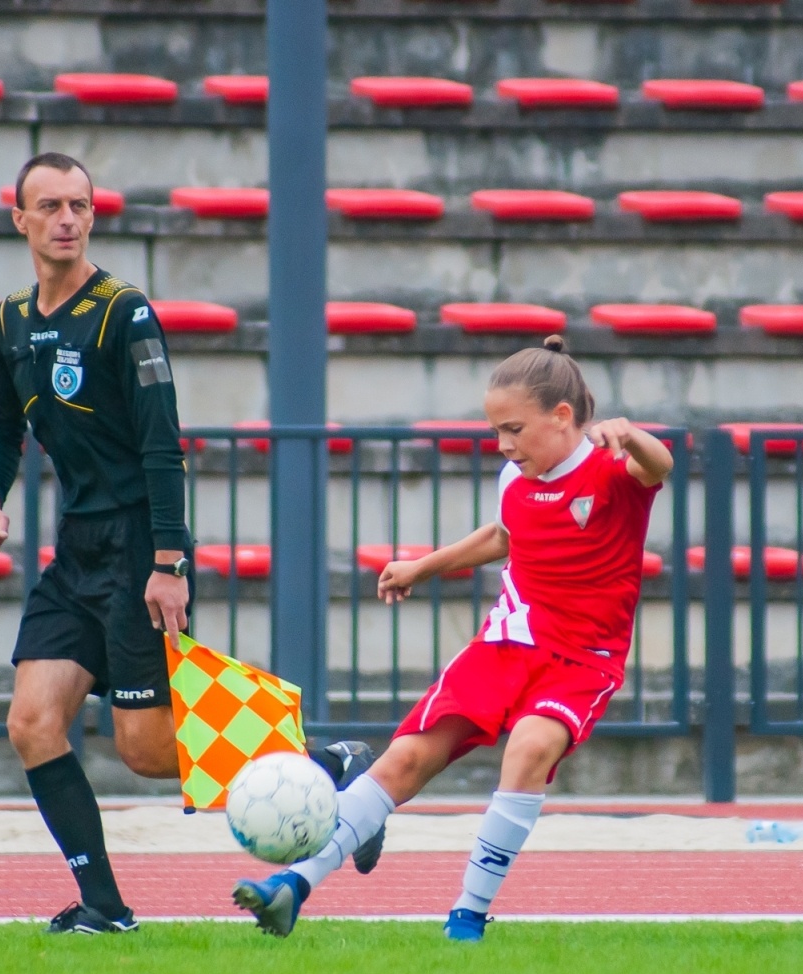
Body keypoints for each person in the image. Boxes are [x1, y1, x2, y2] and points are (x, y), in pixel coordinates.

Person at [0, 152, 382, 935]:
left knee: (150, 750)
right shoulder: (9, 321)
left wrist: (168, 563)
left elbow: (165, 447)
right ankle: (104, 906)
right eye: (50, 206)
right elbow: (1, 420)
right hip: (74, 553)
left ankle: (331, 766)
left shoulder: (123, 313)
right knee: (31, 722)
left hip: (135, 553)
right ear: (18, 218)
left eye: (81, 205)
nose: (68, 219)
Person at [232, 335, 673, 940]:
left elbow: (661, 466)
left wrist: (633, 434)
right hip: (505, 644)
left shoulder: (612, 471)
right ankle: (294, 884)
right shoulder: (514, 479)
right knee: (407, 757)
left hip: (582, 660)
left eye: (514, 429)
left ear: (562, 416)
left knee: (528, 748)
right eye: (497, 431)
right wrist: (422, 565)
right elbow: (504, 536)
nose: (504, 444)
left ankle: (468, 913)